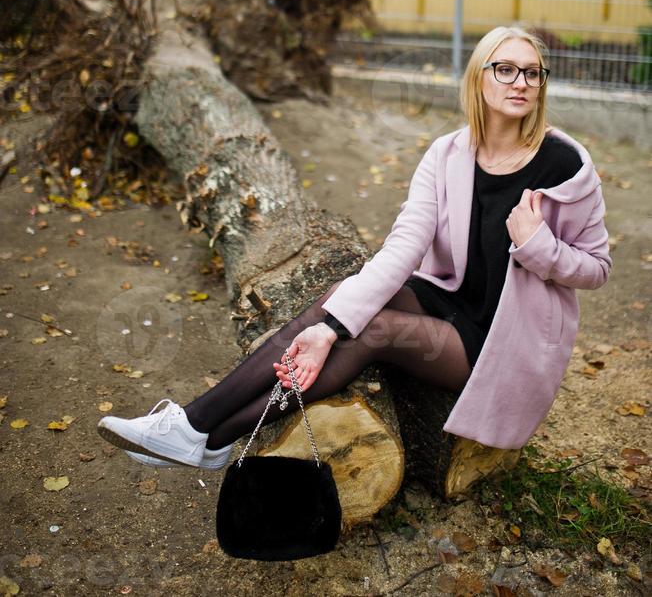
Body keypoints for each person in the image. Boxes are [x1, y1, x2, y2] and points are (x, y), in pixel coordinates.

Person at [97, 25, 611, 468]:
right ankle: (193, 426)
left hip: (500, 342)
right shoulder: (448, 154)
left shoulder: (564, 164)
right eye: (506, 69)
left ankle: (208, 436)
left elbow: (597, 267)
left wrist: (539, 246)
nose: (520, 82)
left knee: (376, 331)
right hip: (448, 302)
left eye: (533, 72)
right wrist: (328, 327)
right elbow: (403, 246)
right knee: (341, 299)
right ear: (480, 76)